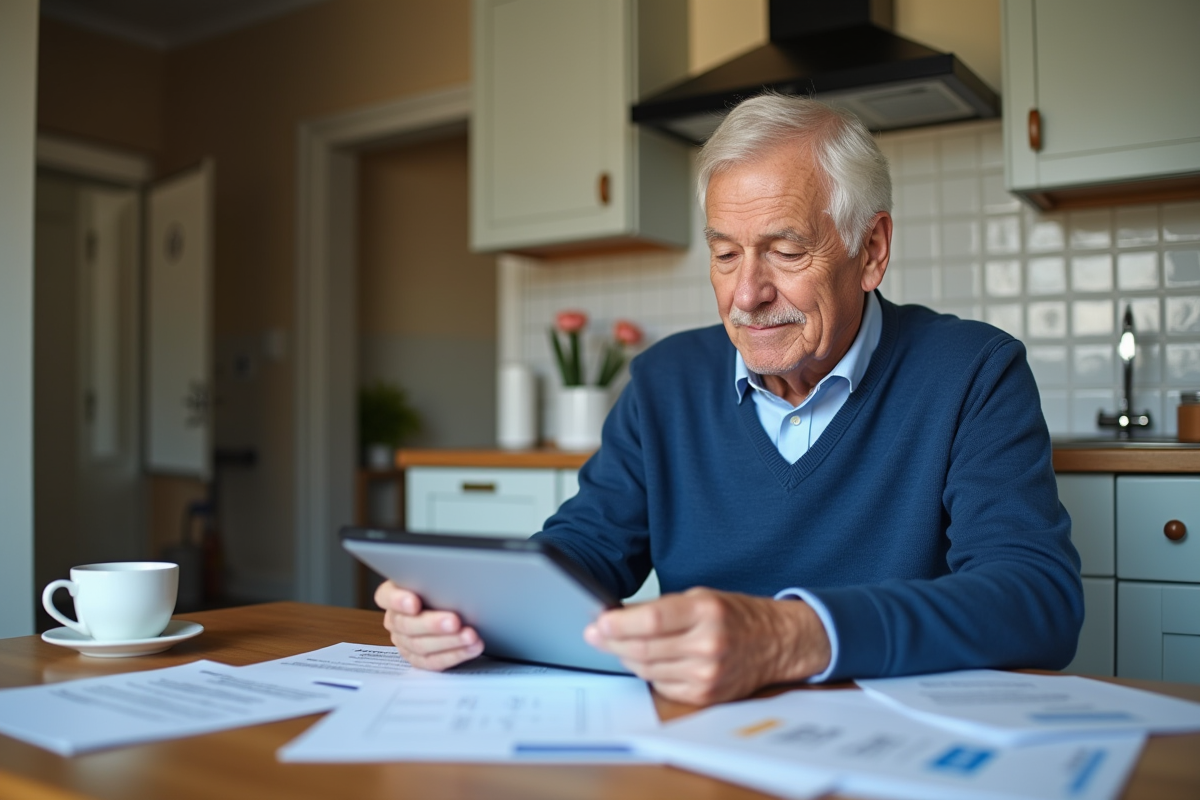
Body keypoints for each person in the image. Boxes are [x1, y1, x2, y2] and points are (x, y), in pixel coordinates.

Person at [376, 93, 1083, 705]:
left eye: (784, 250)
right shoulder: (664, 381)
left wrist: (792, 636)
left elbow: (1037, 599)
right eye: (724, 254)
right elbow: (587, 547)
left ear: (871, 251)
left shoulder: (973, 372)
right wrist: (473, 611)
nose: (746, 294)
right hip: (695, 735)